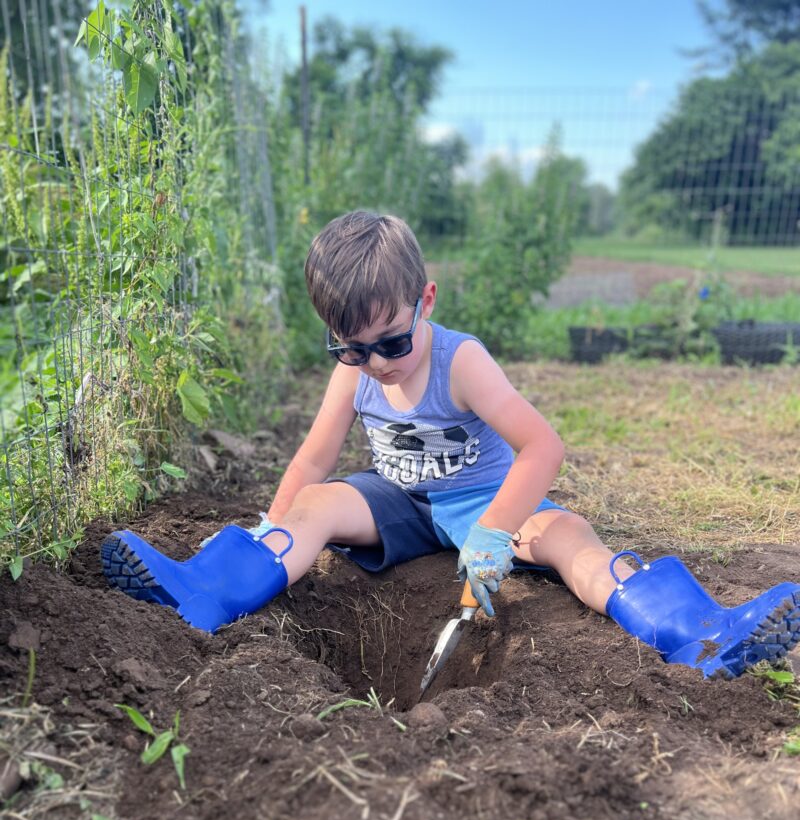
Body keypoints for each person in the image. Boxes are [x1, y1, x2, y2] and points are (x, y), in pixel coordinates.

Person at [102, 211, 800, 680]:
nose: (376, 363)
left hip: (480, 500)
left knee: (566, 536)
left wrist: (496, 530)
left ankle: (697, 631)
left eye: (392, 342)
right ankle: (205, 588)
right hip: (397, 502)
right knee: (312, 502)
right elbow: (313, 456)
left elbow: (542, 448)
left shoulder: (460, 363)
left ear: (425, 301)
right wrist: (272, 525)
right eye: (354, 347)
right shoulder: (354, 371)